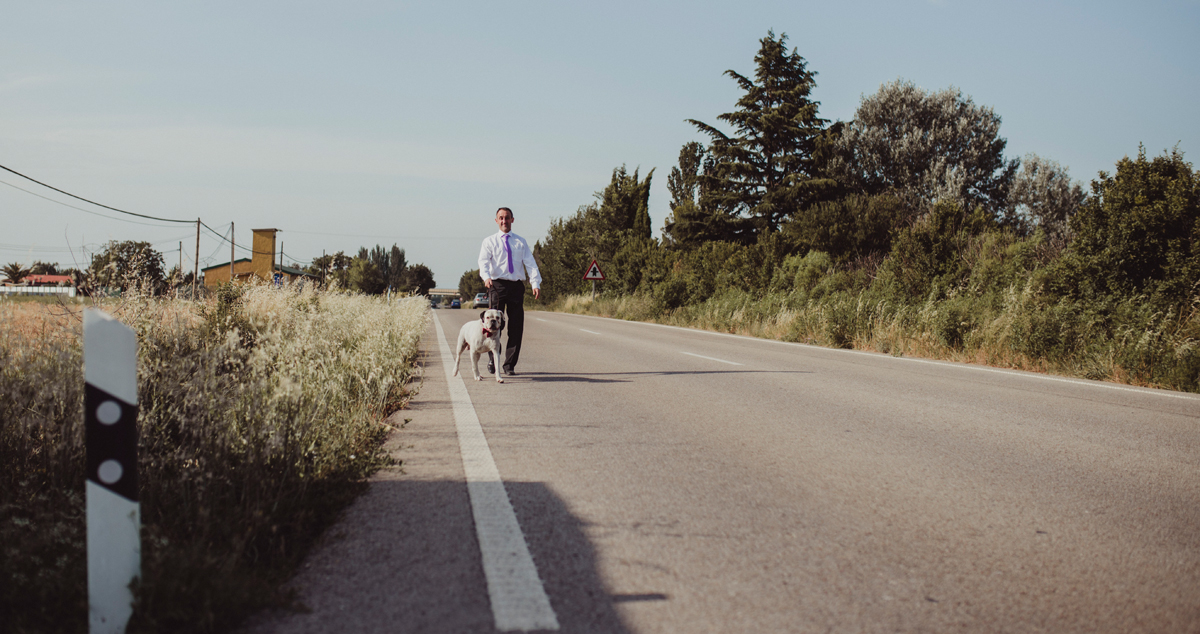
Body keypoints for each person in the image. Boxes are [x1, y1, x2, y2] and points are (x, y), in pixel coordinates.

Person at [478, 206, 541, 375]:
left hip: (516, 287)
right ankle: (493, 359)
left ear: (512, 220)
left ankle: (509, 365)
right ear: (496, 220)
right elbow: (483, 262)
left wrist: (535, 284)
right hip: (496, 285)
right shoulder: (489, 241)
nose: (504, 221)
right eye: (501, 218)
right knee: (494, 325)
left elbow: (530, 264)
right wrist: (486, 277)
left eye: (507, 218)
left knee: (516, 326)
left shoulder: (520, 242)